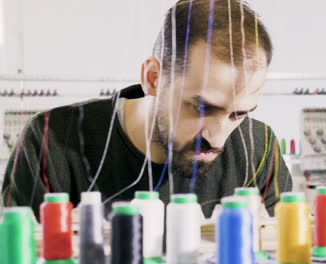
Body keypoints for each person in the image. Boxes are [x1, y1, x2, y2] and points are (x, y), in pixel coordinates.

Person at [1, 0, 292, 219]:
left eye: (238, 114)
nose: (217, 140)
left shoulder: (259, 149)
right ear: (153, 78)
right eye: (201, 107)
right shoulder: (51, 141)